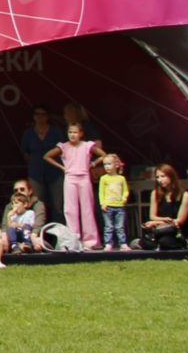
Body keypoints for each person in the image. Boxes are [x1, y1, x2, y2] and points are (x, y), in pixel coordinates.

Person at [45, 117, 104, 250]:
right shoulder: (64, 146)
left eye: (75, 132)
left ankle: (91, 241)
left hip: (84, 178)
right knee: (70, 210)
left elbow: (103, 155)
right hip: (70, 178)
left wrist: (93, 164)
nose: (72, 135)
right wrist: (62, 167)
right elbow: (47, 156)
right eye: (70, 132)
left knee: (87, 209)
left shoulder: (87, 145)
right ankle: (73, 239)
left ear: (81, 133)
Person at [19, 105, 66, 229]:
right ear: (34, 117)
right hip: (36, 173)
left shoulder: (55, 131)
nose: (40, 117)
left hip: (55, 172)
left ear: (47, 116)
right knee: (38, 205)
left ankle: (60, 233)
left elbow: (64, 149)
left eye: (43, 114)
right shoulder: (29, 133)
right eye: (37, 114)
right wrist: (34, 162)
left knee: (58, 205)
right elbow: (25, 152)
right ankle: (38, 233)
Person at [140, 164, 188, 250]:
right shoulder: (155, 193)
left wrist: (156, 223)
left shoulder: (185, 195)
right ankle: (149, 243)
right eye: (157, 177)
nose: (160, 180)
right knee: (147, 242)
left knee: (165, 242)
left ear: (171, 176)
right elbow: (152, 216)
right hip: (160, 230)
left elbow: (179, 221)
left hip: (175, 230)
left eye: (163, 176)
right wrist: (163, 220)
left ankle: (180, 242)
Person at [97, 153, 130, 251]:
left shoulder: (121, 178)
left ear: (116, 165)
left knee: (120, 227)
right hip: (108, 206)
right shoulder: (103, 178)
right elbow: (101, 192)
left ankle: (123, 243)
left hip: (119, 206)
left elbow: (125, 190)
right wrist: (102, 203)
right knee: (109, 227)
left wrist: (124, 198)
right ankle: (108, 243)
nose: (107, 166)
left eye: (109, 164)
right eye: (105, 164)